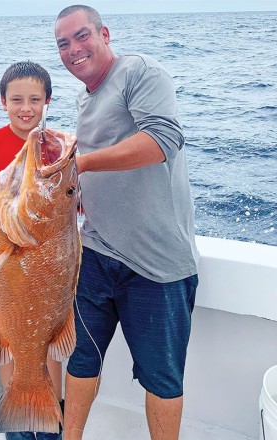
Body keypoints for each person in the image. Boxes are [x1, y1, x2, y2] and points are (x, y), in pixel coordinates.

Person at [54, 5, 199, 440]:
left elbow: (162, 140)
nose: (74, 49)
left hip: (157, 264)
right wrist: (77, 192)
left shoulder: (141, 72)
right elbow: (98, 165)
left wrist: (78, 164)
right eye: (63, 44)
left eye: (81, 36)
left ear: (104, 33)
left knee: (162, 379)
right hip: (96, 252)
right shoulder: (84, 98)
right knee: (81, 359)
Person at [0, 61, 62, 440]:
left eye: (35, 99)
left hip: (46, 263)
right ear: (3, 102)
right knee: (7, 335)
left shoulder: (55, 148)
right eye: (17, 99)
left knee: (51, 343)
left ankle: (52, 411)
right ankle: (17, 407)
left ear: (47, 102)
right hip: (3, 265)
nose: (26, 108)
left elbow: (68, 209)